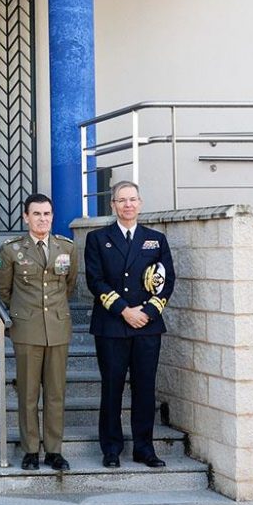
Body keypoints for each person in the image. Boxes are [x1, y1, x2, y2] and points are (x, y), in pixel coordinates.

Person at [85, 181, 175, 469]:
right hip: (112, 325)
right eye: (122, 200)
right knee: (112, 388)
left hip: (147, 326)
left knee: (145, 389)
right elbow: (95, 280)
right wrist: (124, 310)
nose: (128, 205)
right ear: (113, 205)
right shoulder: (98, 238)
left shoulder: (156, 240)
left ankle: (144, 448)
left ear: (140, 203)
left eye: (132, 199)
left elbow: (166, 280)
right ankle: (111, 448)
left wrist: (146, 312)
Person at [0, 193, 77, 472]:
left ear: (52, 216)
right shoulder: (11, 250)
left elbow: (69, 286)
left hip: (57, 327)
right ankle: (30, 449)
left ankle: (54, 450)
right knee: (28, 393)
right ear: (26, 217)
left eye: (47, 214)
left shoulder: (66, 247)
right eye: (37, 214)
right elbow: (4, 290)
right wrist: (22, 313)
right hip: (27, 329)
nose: (43, 219)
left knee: (56, 393)